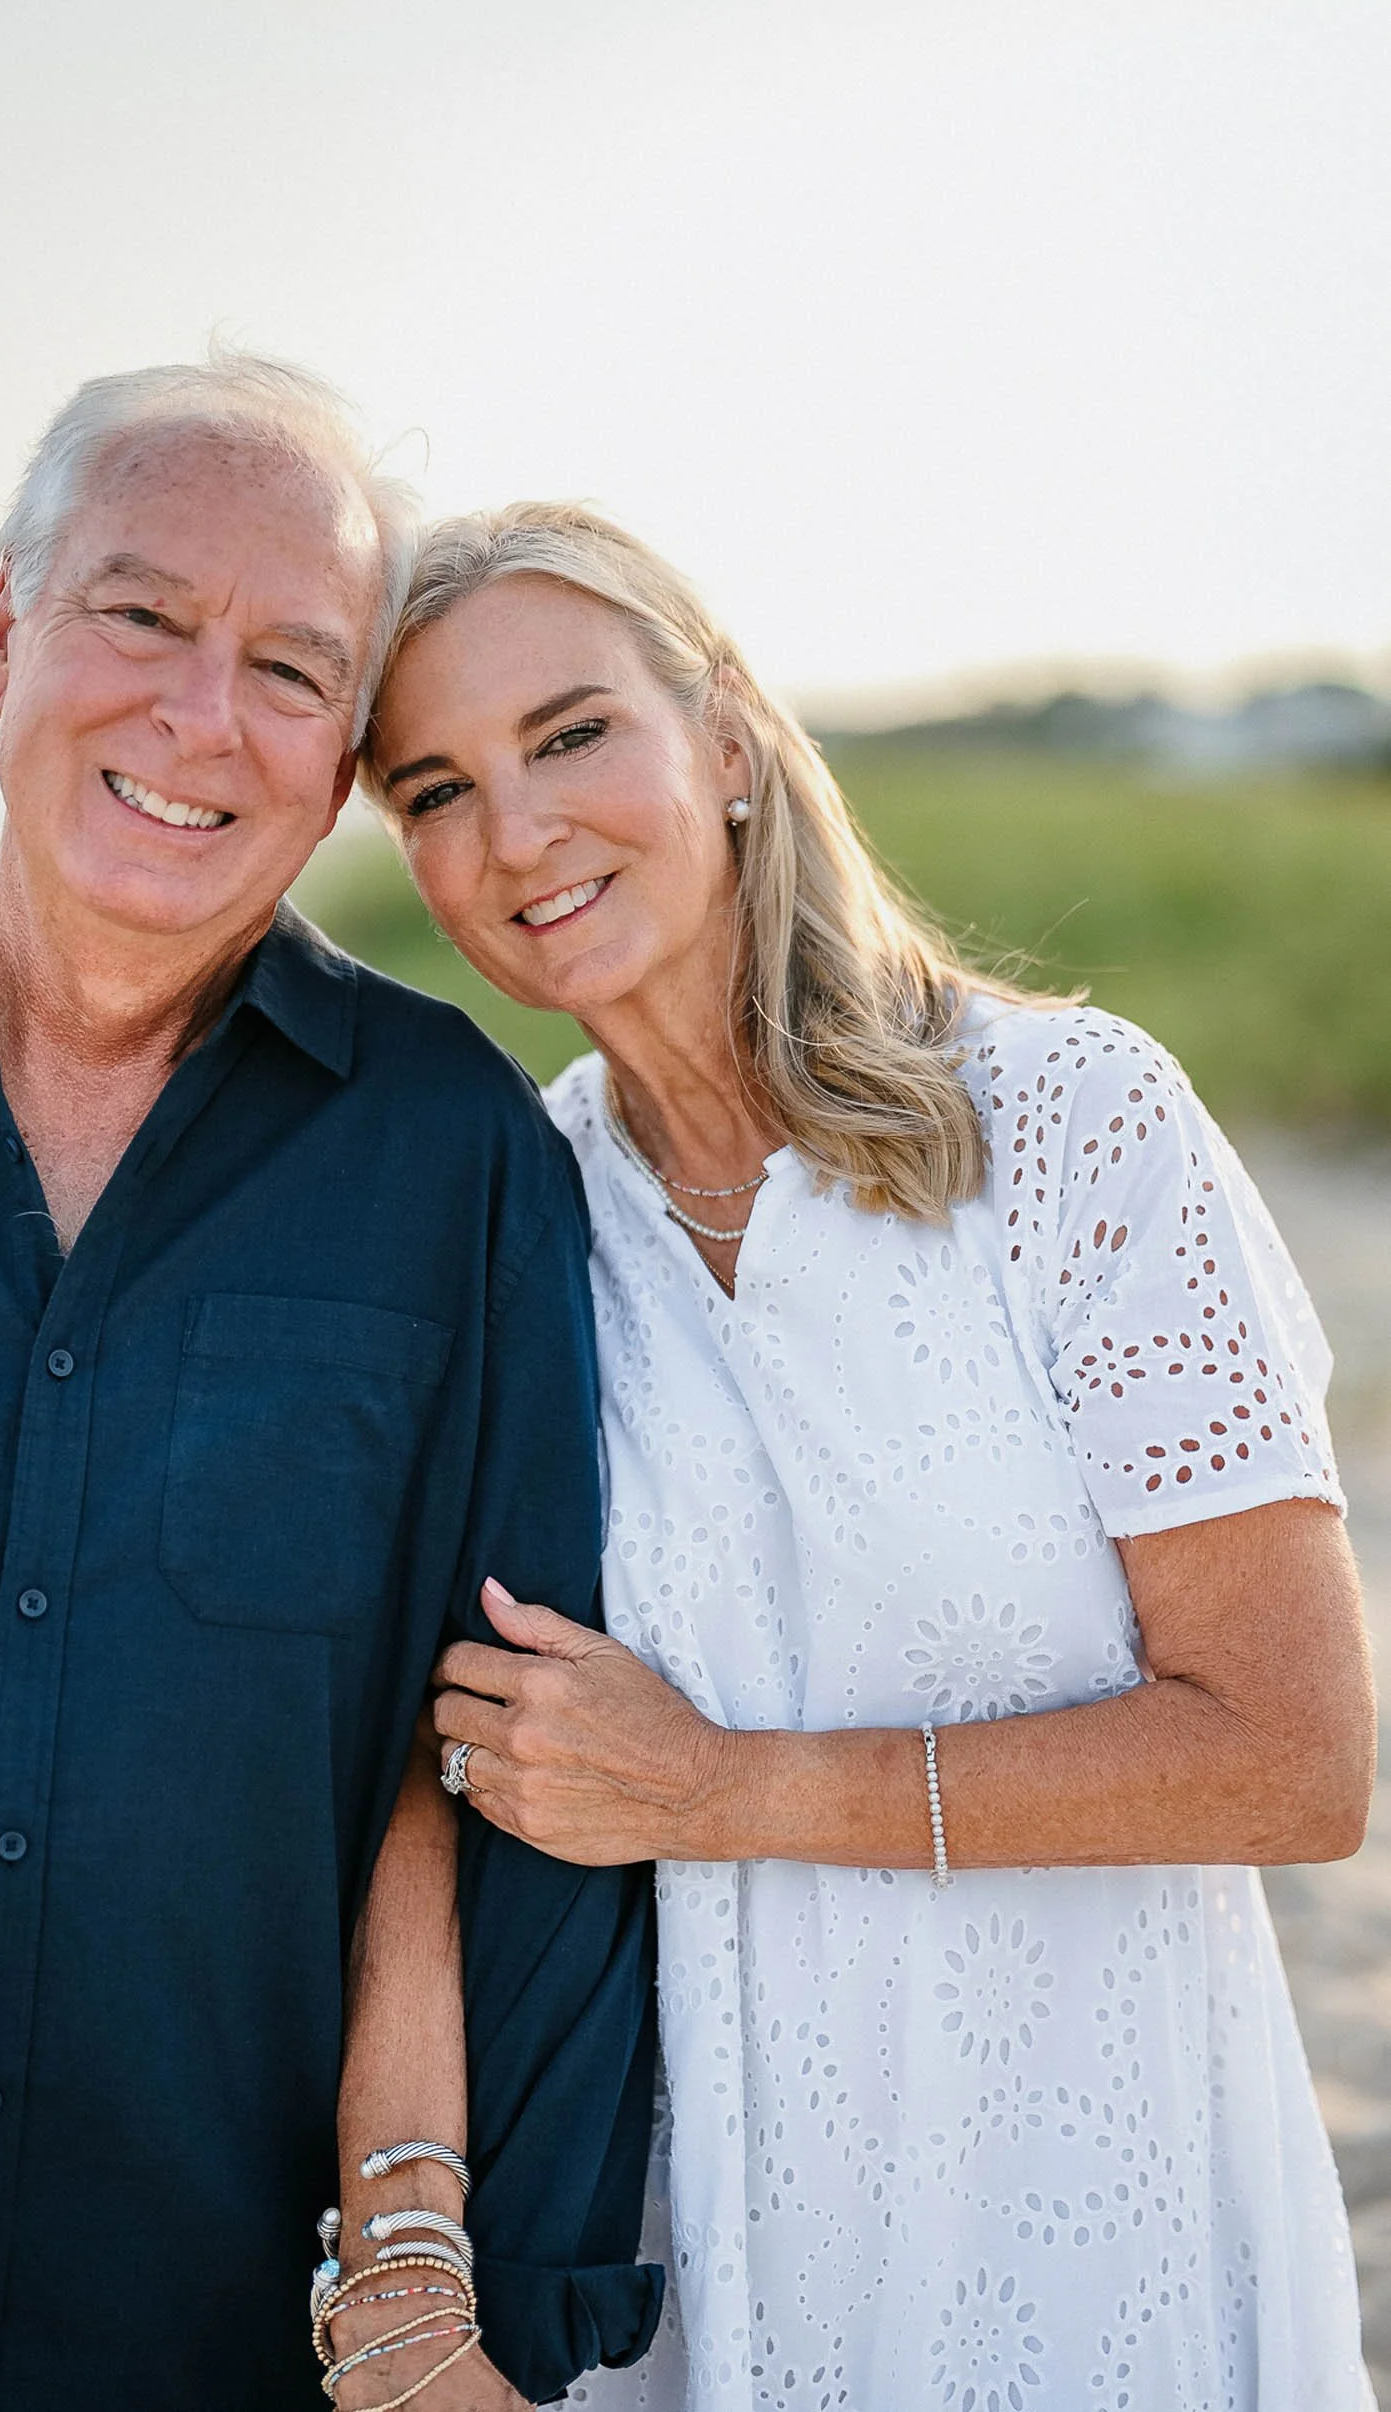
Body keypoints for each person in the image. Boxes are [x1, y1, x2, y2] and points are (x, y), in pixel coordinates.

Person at [364, 502, 1378, 2410]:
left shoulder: (1070, 1125)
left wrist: (718, 1787)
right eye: (432, 785)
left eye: (571, 734)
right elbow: (421, 1762)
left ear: (726, 738)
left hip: (1100, 2191)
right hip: (705, 2234)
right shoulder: (514, 1216)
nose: (514, 834)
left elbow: (1297, 1757)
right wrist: (406, 2285)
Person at [0, 369, 660, 2412]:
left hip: (226, 2335)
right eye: (139, 616)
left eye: (290, 667)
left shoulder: (456, 1156)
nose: (198, 716)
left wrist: (475, 2285)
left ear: (336, 759)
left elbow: (498, 1755)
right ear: (0, 640)